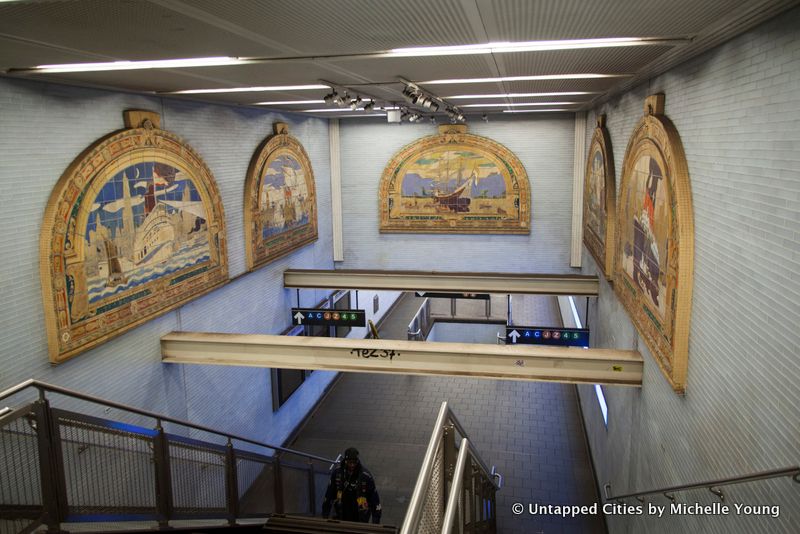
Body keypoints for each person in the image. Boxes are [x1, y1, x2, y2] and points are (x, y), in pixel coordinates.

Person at [322, 447, 382, 524]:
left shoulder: (366, 476)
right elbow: (329, 494)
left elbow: (375, 499)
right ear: (345, 461)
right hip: (341, 513)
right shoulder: (337, 473)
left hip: (360, 516)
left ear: (357, 461)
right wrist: (325, 515)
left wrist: (376, 521)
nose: (352, 465)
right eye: (350, 462)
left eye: (354, 462)